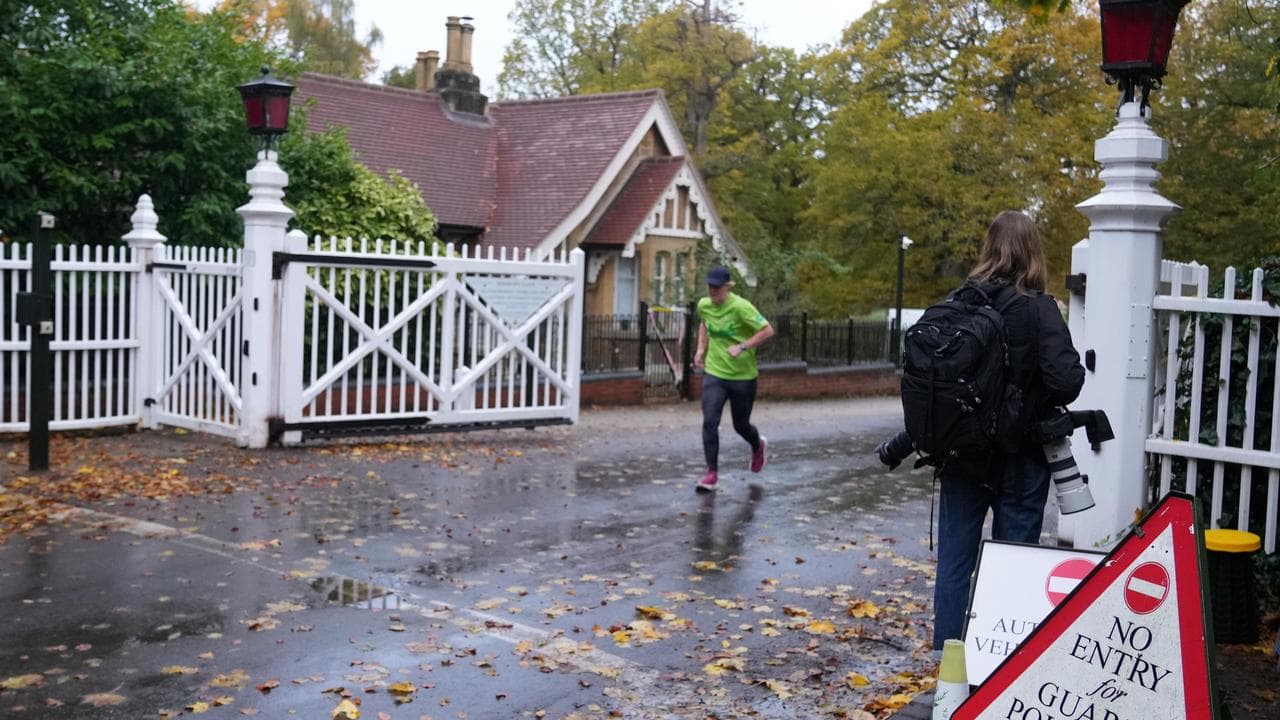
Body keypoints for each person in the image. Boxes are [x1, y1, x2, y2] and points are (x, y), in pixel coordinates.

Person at [878, 211, 1085, 650]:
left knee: (955, 563)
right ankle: (999, 662)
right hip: (1023, 457)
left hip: (962, 455)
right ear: (1033, 252)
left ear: (988, 248)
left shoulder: (959, 302)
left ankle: (947, 666)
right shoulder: (1039, 310)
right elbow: (1067, 382)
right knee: (1012, 564)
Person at [693, 266, 775, 493]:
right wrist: (701, 349)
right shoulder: (704, 305)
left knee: (741, 426)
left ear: (728, 287)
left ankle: (757, 445)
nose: (713, 291)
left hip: (742, 377)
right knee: (710, 421)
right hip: (715, 373)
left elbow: (768, 330)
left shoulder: (741, 307)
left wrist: (743, 346)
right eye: (710, 287)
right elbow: (704, 324)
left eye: (717, 288)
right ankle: (711, 473)